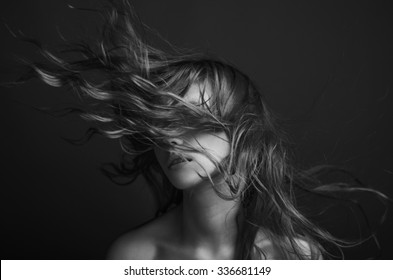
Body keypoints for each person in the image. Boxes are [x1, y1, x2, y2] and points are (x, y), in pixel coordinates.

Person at [14, 0, 387, 259]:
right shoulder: (135, 257)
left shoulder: (296, 259)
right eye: (161, 121)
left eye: (194, 121)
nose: (170, 137)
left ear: (242, 130)